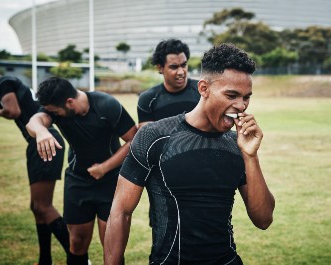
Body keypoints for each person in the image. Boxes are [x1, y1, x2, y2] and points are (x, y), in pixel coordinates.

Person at [104, 43, 276, 265]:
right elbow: (120, 212)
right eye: (231, 95)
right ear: (203, 89)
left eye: (246, 97)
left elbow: (263, 219)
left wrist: (251, 156)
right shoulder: (155, 136)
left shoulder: (238, 145)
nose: (241, 106)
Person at [26, 77, 137, 265]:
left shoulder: (106, 105)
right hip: (77, 181)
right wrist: (42, 131)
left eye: (54, 111)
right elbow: (35, 121)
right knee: (76, 243)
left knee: (111, 246)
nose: (52, 114)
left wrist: (105, 167)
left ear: (69, 102)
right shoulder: (57, 109)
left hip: (110, 182)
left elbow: (133, 139)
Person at [0, 71, 69, 265]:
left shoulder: (4, 81)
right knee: (36, 207)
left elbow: (13, 111)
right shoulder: (12, 83)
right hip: (39, 141)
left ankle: (79, 257)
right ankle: (45, 259)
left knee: (43, 206)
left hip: (43, 140)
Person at [137, 38, 200, 128]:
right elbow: (147, 138)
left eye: (184, 65)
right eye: (174, 67)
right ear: (160, 68)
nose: (181, 72)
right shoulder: (148, 99)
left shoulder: (203, 91)